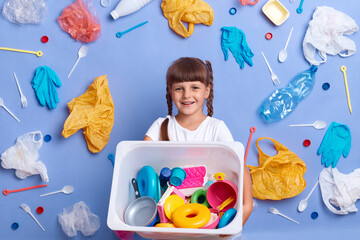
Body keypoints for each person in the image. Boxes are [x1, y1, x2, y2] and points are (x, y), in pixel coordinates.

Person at [144, 57, 253, 226]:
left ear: (207, 91)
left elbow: (238, 164)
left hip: (208, 217)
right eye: (179, 88)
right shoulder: (160, 126)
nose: (187, 95)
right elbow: (140, 163)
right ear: (170, 92)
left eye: (195, 87)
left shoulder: (217, 128)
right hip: (171, 219)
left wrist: (247, 207)